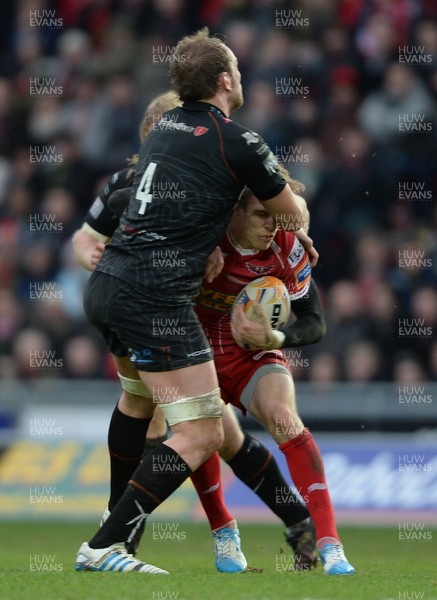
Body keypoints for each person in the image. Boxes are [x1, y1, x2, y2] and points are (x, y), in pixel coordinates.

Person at [75, 27, 314, 574]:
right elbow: (292, 212)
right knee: (205, 430)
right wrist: (289, 227)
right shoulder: (240, 141)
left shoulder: (161, 131)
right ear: (227, 79)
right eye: (238, 70)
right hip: (155, 299)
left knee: (140, 405)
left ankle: (120, 545)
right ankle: (105, 546)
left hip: (109, 285)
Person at [196, 186, 355, 576]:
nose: (271, 225)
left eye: (276, 216)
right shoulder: (202, 235)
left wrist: (276, 339)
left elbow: (315, 321)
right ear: (235, 211)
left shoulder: (288, 245)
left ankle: (330, 544)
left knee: (284, 418)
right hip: (198, 351)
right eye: (259, 215)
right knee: (203, 435)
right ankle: (223, 529)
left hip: (253, 353)